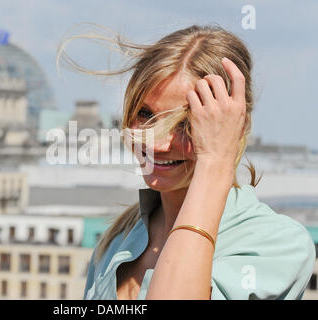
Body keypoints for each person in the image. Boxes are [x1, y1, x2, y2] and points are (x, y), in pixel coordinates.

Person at [58, 24, 316, 300]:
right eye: (145, 113)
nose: (156, 143)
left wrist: (215, 161)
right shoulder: (119, 237)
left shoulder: (276, 244)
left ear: (234, 127)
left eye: (185, 123)